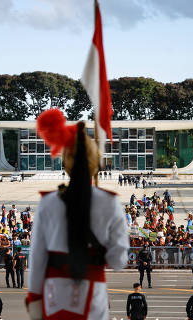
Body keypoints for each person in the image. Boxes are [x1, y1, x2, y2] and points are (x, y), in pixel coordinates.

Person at [26, 110, 129, 320]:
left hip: (55, 294)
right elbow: (119, 261)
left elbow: (36, 258)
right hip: (93, 296)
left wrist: (34, 298)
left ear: (65, 164)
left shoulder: (48, 202)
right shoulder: (110, 202)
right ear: (96, 163)